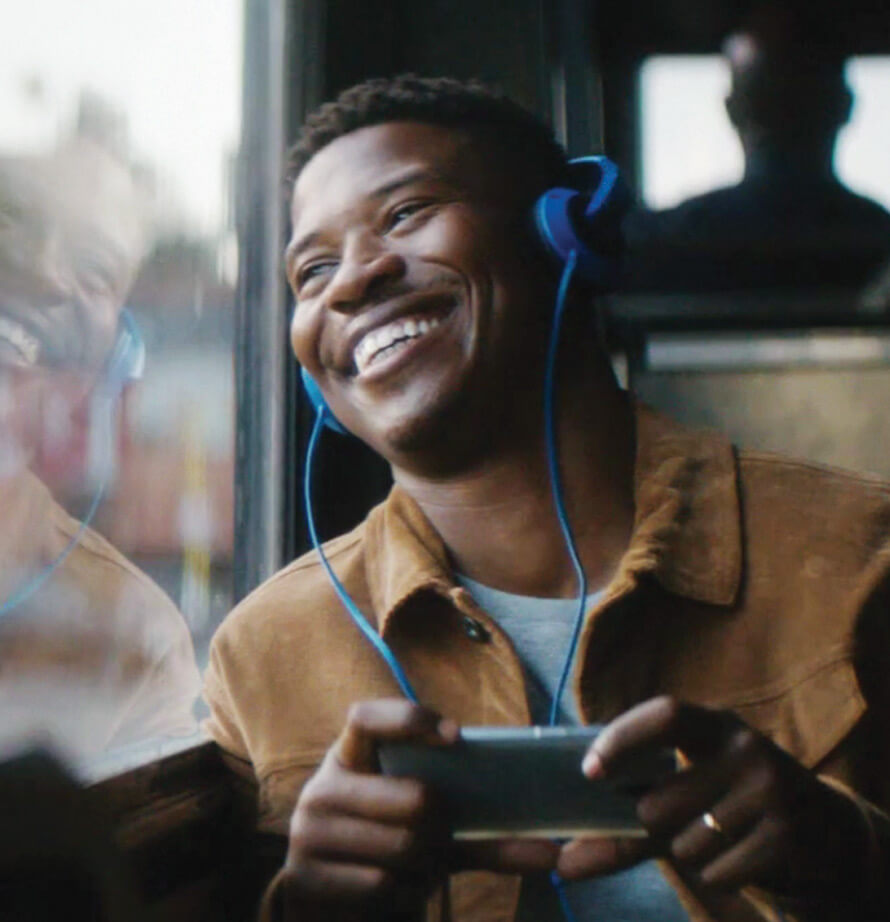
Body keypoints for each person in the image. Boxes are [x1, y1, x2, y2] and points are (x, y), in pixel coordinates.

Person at [204, 75, 890, 921]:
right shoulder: (262, 656)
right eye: (313, 270)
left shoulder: (865, 557)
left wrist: (853, 855)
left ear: (568, 235)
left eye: (407, 213)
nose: (353, 280)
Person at [0, 140, 201, 765]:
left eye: (94, 267)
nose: (49, 275)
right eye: (16, 226)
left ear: (109, 358)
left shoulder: (137, 632)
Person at [623, 8, 890, 294]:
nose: (787, 113)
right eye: (772, 97)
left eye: (795, 97)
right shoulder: (879, 239)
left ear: (733, 110)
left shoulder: (667, 239)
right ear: (844, 106)